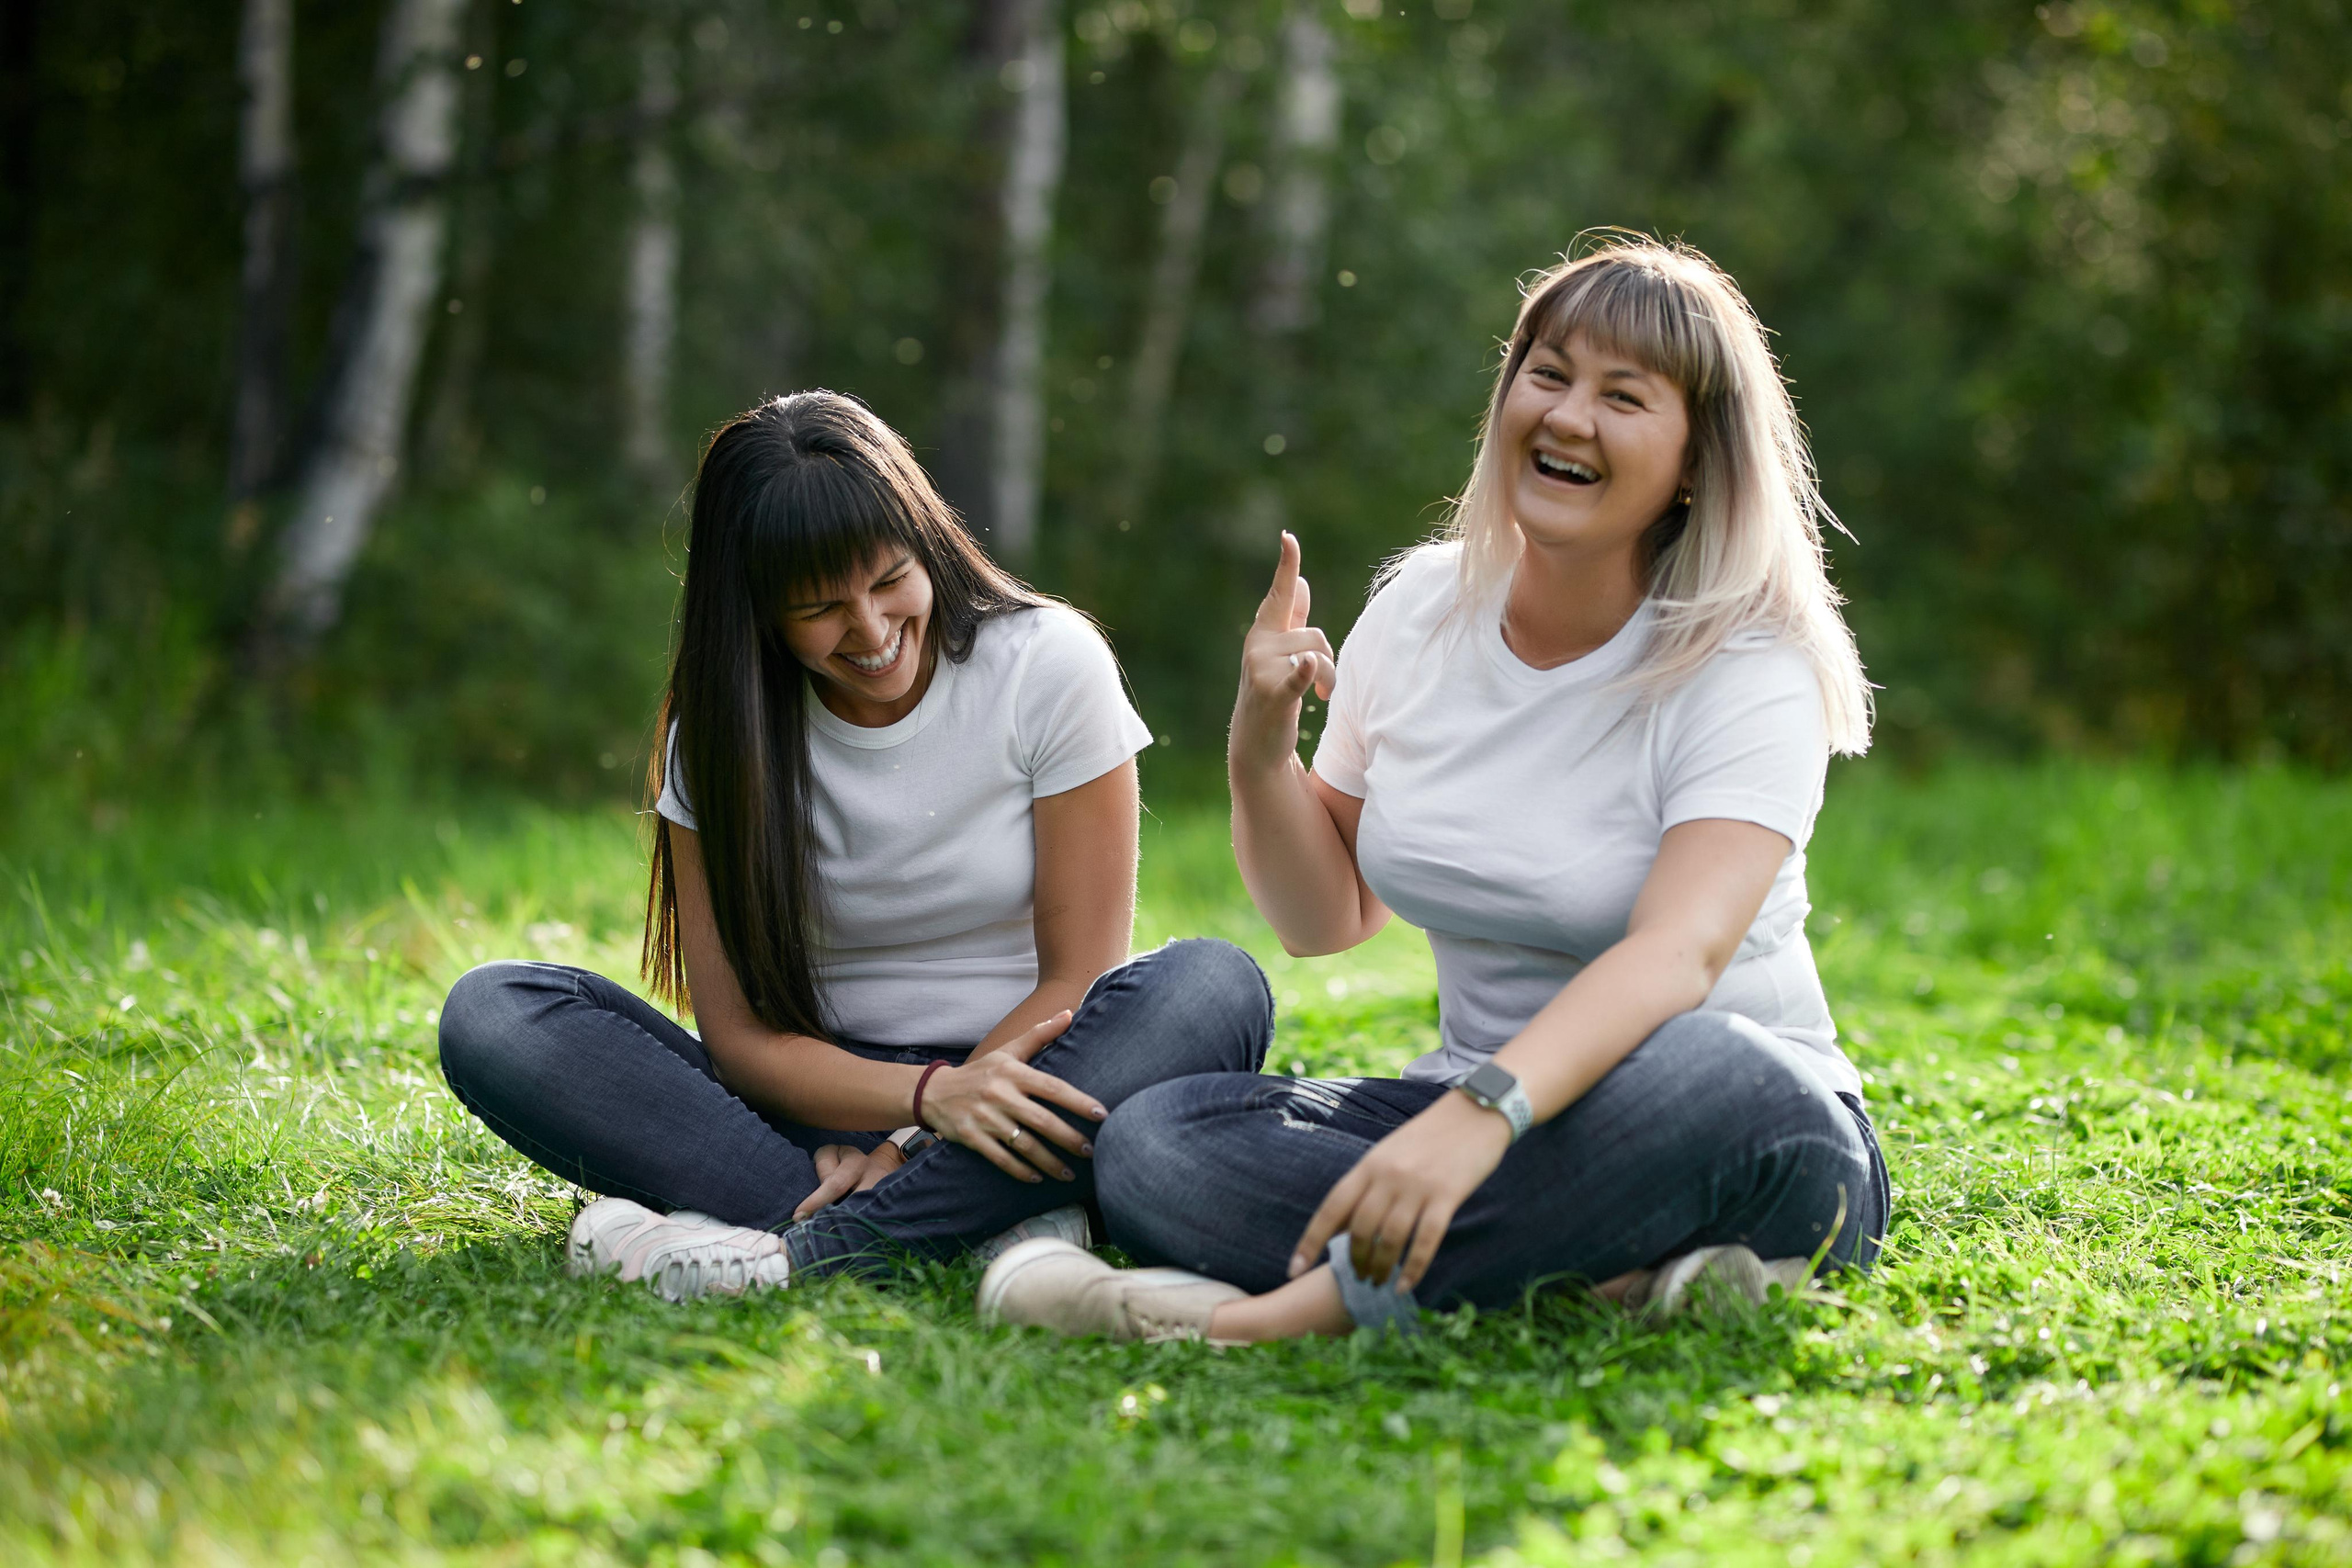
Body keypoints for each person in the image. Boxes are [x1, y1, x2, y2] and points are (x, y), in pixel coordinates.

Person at [978, 237, 1889, 1343]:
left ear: (1697, 461)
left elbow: (1678, 957)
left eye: (1622, 396)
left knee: (1708, 1065)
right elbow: (1326, 919)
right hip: (1464, 1108)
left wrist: (1481, 1116)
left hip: (1734, 1123)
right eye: (1546, 375)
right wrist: (1262, 746)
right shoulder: (1419, 610)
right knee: (1158, 1140)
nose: (1566, 417)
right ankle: (1611, 1277)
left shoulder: (1747, 662)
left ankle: (1258, 1326)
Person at [436, 391, 1270, 1302]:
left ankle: (802, 1251)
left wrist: (921, 1137)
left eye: (887, 582)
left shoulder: (1047, 665)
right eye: (820, 609)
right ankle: (983, 1217)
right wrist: (912, 1105)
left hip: (1034, 1079)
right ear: (756, 613)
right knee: (494, 1014)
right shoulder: (714, 741)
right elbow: (743, 1042)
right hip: (810, 1114)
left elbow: (1075, 981)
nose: (871, 634)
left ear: (928, 544)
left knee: (1213, 988)